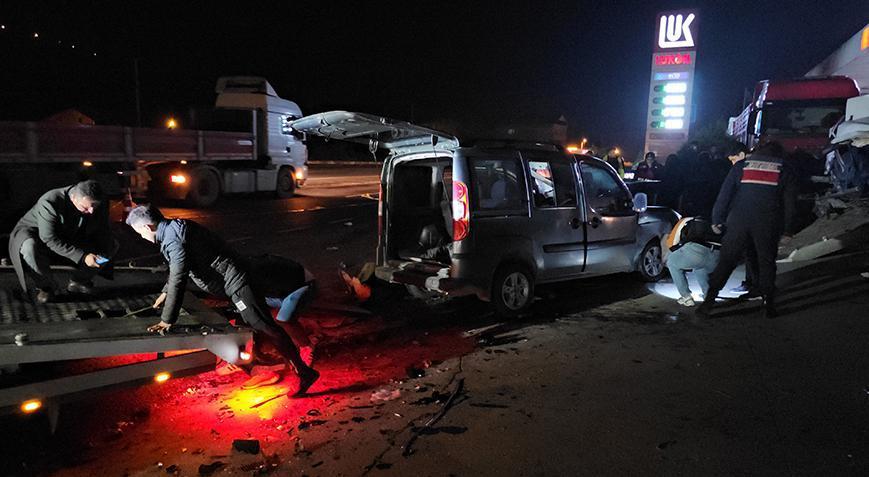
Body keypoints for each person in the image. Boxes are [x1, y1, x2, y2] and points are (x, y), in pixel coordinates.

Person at [125, 204, 319, 395]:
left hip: (238, 282)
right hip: (234, 280)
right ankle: (259, 362)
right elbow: (180, 268)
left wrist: (167, 319)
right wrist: (165, 292)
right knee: (251, 321)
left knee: (264, 325)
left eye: (139, 232)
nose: (141, 237)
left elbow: (179, 275)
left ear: (147, 227)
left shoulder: (172, 239)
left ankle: (304, 372)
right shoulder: (174, 228)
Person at [696, 142, 798, 318]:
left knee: (727, 261)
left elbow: (724, 195)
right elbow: (790, 204)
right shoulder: (784, 170)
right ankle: (768, 303)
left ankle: (708, 302)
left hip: (739, 221)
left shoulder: (742, 167)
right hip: (767, 222)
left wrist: (717, 219)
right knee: (766, 261)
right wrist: (788, 230)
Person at [8, 180, 117, 303]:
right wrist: (83, 257)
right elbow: (49, 238)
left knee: (110, 244)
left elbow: (103, 229)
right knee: (29, 247)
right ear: (73, 198)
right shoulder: (49, 202)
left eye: (94, 206)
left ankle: (79, 281)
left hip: (71, 234)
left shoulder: (99, 202)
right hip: (38, 236)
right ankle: (47, 287)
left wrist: (104, 251)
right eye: (85, 207)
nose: (91, 211)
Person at [664, 216, 722, 306]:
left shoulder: (687, 220)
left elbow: (672, 242)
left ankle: (686, 297)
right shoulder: (719, 220)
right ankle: (709, 297)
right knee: (700, 269)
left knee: (672, 262)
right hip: (718, 255)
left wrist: (679, 253)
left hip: (697, 251)